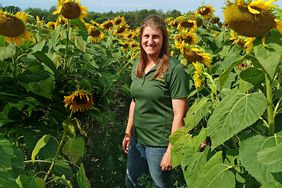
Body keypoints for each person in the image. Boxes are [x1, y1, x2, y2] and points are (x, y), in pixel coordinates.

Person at [122, 14, 189, 188]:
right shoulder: (138, 65)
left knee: (160, 185)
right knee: (131, 182)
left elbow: (179, 115)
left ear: (163, 39)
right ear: (141, 39)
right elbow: (134, 101)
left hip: (159, 143)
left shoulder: (174, 70)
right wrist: (128, 132)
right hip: (138, 140)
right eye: (146, 36)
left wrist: (171, 150)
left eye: (155, 36)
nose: (150, 41)